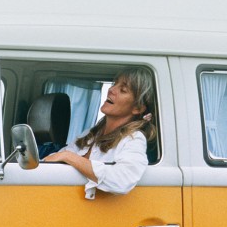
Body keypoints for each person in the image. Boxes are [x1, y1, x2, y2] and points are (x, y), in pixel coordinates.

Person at [41, 70, 156, 198]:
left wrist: (69, 157)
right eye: (115, 84)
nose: (112, 89)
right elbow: (56, 158)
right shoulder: (91, 134)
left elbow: (122, 181)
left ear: (138, 108)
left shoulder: (134, 139)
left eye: (123, 90)